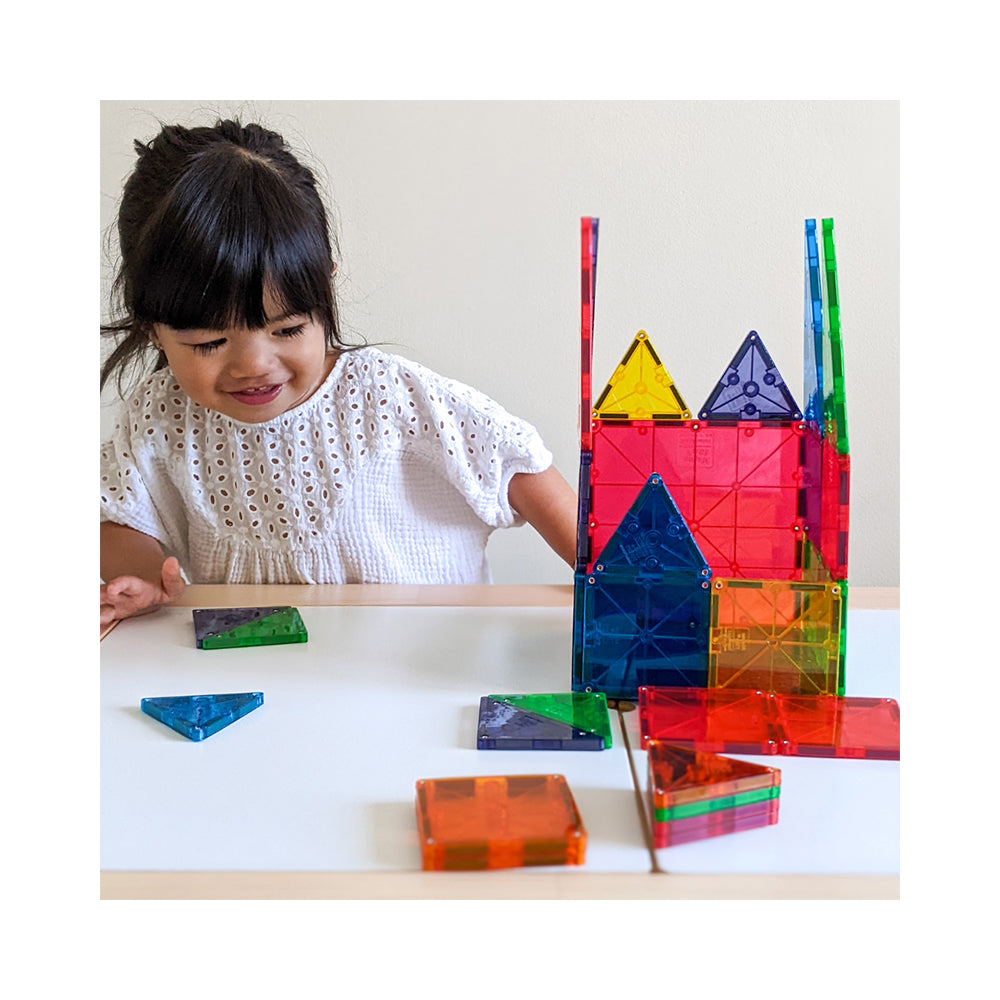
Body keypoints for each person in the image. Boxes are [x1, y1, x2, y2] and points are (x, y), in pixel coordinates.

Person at [100, 119, 578, 627]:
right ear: (152, 328)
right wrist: (146, 578)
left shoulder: (386, 395)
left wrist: (612, 582)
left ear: (323, 288)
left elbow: (519, 467)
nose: (254, 365)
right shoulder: (161, 414)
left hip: (427, 652)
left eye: (287, 329)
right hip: (265, 666)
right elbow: (116, 516)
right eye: (209, 343)